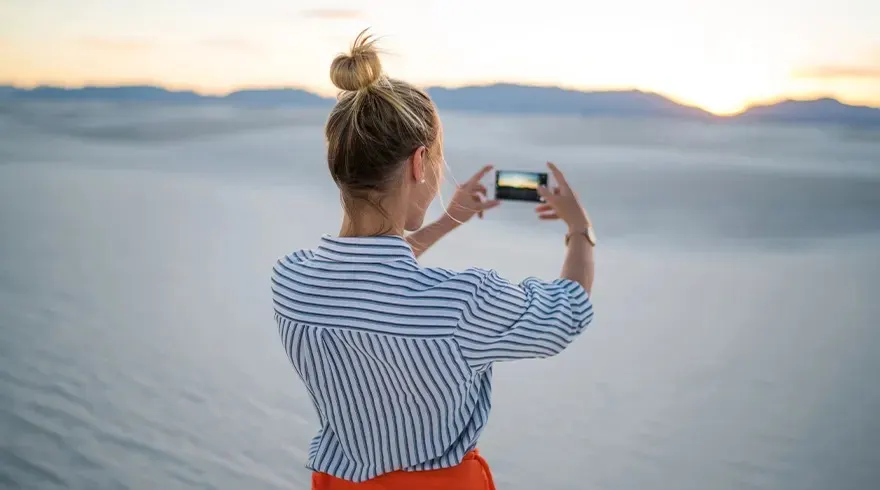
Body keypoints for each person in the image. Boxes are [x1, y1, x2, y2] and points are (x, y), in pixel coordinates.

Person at [271, 30, 596, 490]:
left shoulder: (291, 281)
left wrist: (446, 222)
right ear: (419, 162)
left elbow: (368, 278)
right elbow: (568, 312)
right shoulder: (463, 303)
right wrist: (580, 229)